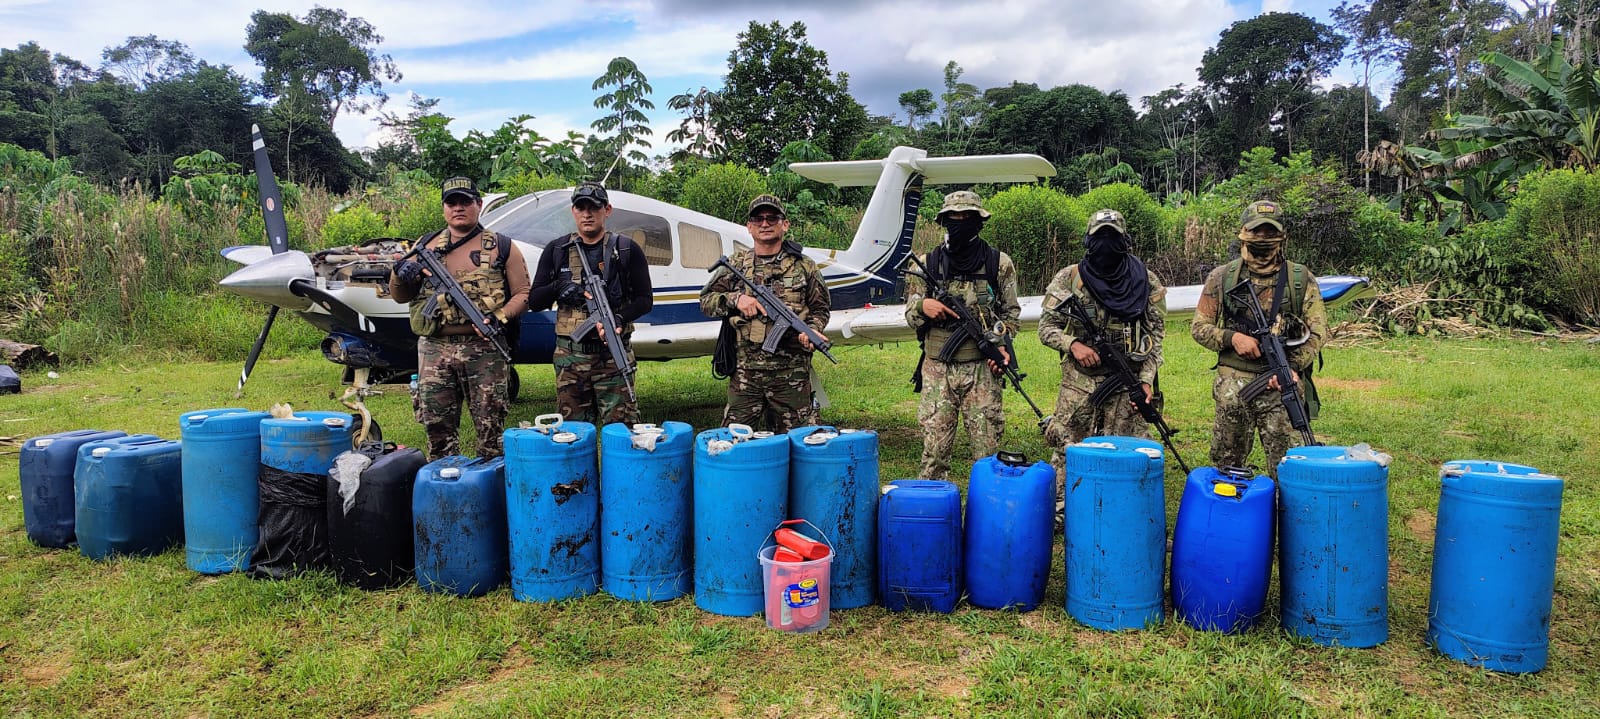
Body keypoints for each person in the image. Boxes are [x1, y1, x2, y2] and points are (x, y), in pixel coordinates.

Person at [390, 176, 529, 459]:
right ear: (444, 208)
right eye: (451, 202)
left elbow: (524, 293)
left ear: (478, 204)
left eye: (465, 202)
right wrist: (398, 274)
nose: (458, 208)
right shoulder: (425, 245)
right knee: (437, 427)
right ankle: (442, 478)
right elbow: (400, 296)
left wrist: (500, 317)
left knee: (490, 427)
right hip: (435, 349)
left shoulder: (501, 246)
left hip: (484, 349)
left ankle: (490, 479)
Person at [1037, 209, 1168, 509]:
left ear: (1125, 241)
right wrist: (1073, 345)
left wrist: (1146, 381)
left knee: (1128, 455)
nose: (1106, 244)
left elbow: (1156, 337)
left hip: (1127, 382)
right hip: (1079, 383)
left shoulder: (1145, 281)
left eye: (1113, 237)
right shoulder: (1070, 278)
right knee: (1069, 449)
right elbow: (1046, 328)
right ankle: (1063, 510)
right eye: (1099, 237)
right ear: (1088, 241)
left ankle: (1121, 513)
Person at [1190, 200, 1328, 477]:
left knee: (1289, 466)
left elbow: (1317, 333)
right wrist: (1232, 338)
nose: (1263, 238)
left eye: (1270, 232)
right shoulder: (1222, 277)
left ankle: (1286, 504)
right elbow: (1199, 327)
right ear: (1243, 233)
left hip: (1282, 383)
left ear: (1282, 235)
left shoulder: (1300, 279)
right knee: (1227, 466)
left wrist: (1292, 367)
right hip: (1234, 384)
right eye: (1256, 231)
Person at [904, 190, 1021, 481]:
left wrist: (1001, 346)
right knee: (934, 452)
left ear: (979, 221)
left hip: (982, 369)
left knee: (987, 453)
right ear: (944, 221)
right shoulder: (927, 263)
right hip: (938, 369)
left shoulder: (998, 263)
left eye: (967, 217)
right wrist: (923, 306)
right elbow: (910, 316)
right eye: (953, 218)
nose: (960, 223)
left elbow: (1011, 315)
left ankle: (988, 505)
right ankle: (933, 505)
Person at [698, 194, 830, 432]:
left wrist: (812, 329)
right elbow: (706, 301)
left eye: (772, 218)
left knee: (800, 440)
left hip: (791, 373)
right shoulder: (736, 264)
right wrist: (736, 299)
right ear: (749, 227)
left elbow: (820, 309)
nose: (765, 224)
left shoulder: (804, 266)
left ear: (785, 224)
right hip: (746, 374)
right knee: (735, 439)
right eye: (758, 219)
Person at [527, 182, 654, 425]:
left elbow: (645, 300)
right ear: (573, 211)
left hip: (613, 355)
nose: (587, 214)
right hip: (570, 359)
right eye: (581, 207)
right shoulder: (557, 250)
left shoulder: (626, 249)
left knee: (622, 430)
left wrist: (618, 318)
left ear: (607, 210)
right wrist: (559, 286)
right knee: (572, 433)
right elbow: (535, 300)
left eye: (594, 207)